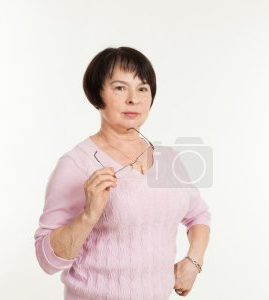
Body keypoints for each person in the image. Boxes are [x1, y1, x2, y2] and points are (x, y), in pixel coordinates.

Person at [34, 46, 211, 300]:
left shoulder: (167, 159)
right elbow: (46, 260)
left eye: (142, 88)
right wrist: (88, 215)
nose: (133, 99)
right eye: (120, 88)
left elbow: (199, 215)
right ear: (98, 94)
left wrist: (193, 262)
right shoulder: (76, 164)